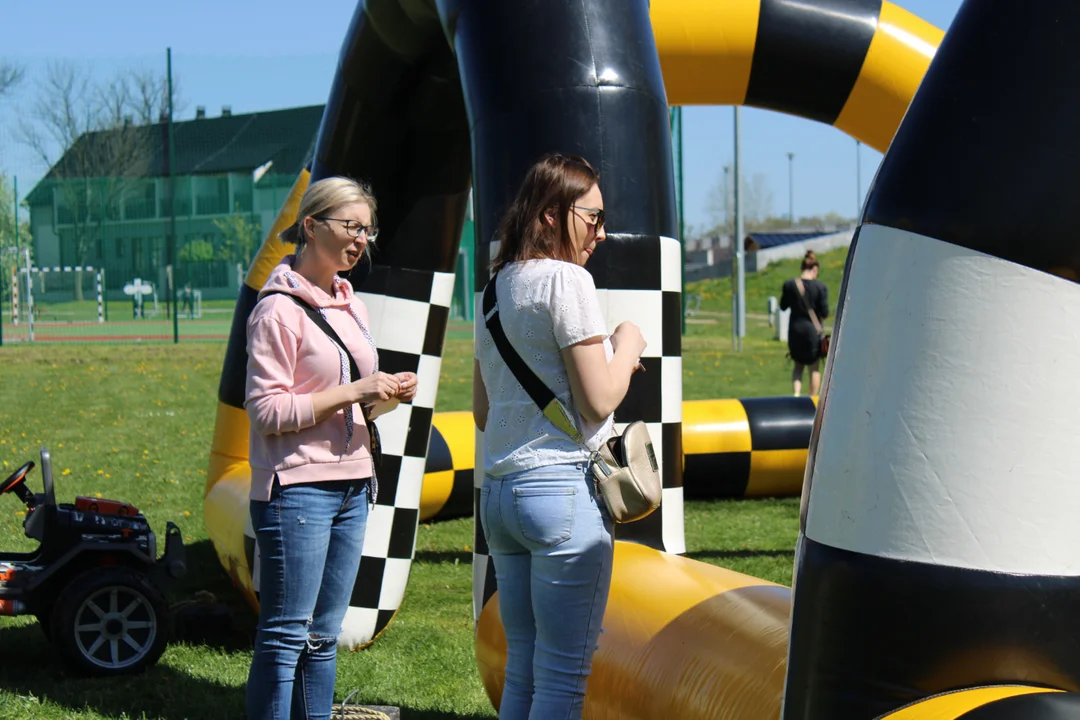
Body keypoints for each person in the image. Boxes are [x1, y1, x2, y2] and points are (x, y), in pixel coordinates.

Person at [472, 153, 647, 719]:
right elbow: (599, 400)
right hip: (561, 494)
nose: (601, 232)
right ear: (551, 215)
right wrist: (628, 345)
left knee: (523, 667)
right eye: (592, 218)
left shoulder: (492, 290)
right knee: (563, 677)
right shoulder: (568, 280)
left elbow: (482, 409)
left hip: (500, 495)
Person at [243, 175, 418, 720]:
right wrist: (354, 389)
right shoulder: (276, 310)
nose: (361, 238)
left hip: (351, 485)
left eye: (368, 229)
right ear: (312, 226)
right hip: (296, 490)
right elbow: (267, 412)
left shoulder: (352, 305)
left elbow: (351, 406)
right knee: (285, 634)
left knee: (324, 635)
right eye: (351, 226)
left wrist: (385, 395)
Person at [780, 249, 830, 397]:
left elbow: (783, 306)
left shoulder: (790, 285)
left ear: (802, 268)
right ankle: (812, 400)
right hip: (812, 332)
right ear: (815, 269)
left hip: (794, 330)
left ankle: (796, 396)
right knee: (814, 368)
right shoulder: (820, 288)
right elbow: (825, 312)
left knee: (797, 366)